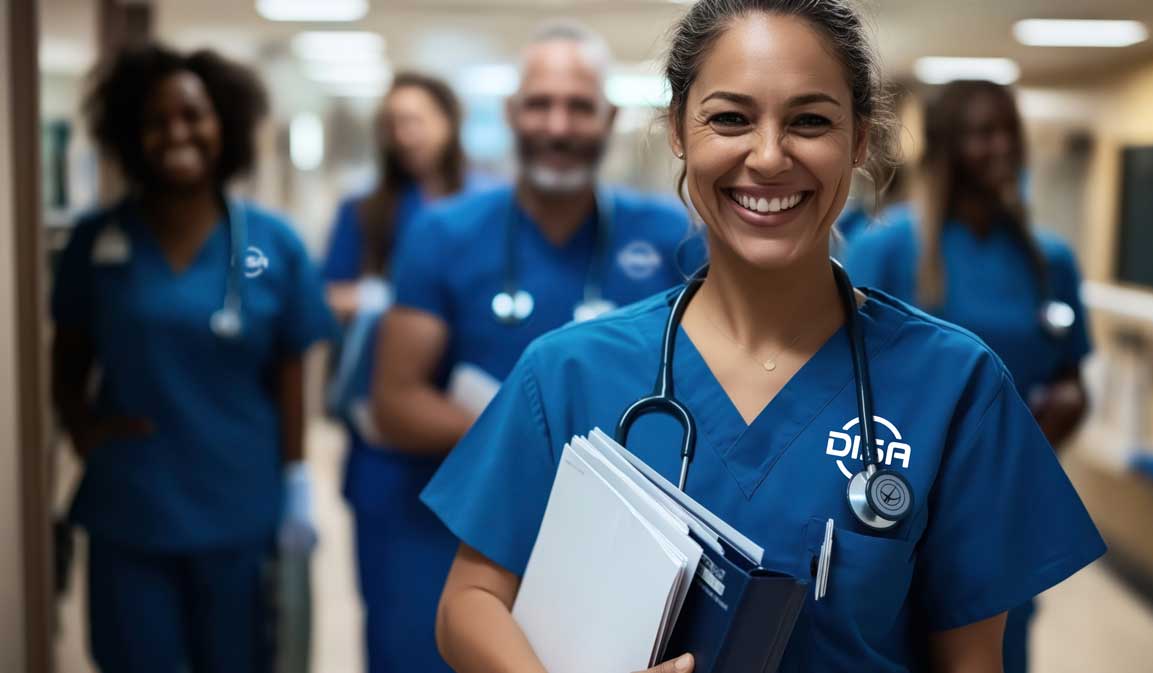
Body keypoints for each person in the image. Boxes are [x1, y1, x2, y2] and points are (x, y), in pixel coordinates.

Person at [418, 2, 1106, 672]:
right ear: (679, 131)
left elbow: (971, 657)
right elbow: (469, 602)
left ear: (860, 139)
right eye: (730, 118)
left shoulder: (956, 385)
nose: (770, 156)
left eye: (810, 120)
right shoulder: (569, 372)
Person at [369, 20, 695, 672]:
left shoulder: (669, 235)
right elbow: (396, 402)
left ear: (609, 117)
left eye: (579, 106)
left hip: (612, 548)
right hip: (463, 527)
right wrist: (545, 446)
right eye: (540, 104)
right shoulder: (445, 233)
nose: (558, 125)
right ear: (513, 114)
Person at [50, 44, 334, 673]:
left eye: (194, 115)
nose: (177, 132)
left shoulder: (274, 243)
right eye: (156, 120)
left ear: (224, 125)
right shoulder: (96, 243)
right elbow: (66, 359)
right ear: (130, 133)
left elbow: (292, 372)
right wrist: (84, 428)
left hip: (240, 505)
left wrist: (295, 483)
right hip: (133, 509)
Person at [843, 79, 1093, 673]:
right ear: (948, 146)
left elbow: (1072, 377)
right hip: (896, 501)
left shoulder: (1048, 259)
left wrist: (1054, 417)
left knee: (993, 649)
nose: (1001, 146)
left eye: (1009, 132)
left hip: (998, 503)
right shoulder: (889, 247)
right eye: (983, 133)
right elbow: (835, 373)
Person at [320, 72, 483, 673]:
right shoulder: (366, 211)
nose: (405, 134)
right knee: (397, 627)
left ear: (449, 123)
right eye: (394, 124)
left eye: (417, 119)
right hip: (388, 453)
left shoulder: (488, 208)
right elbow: (325, 296)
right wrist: (383, 298)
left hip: (472, 437)